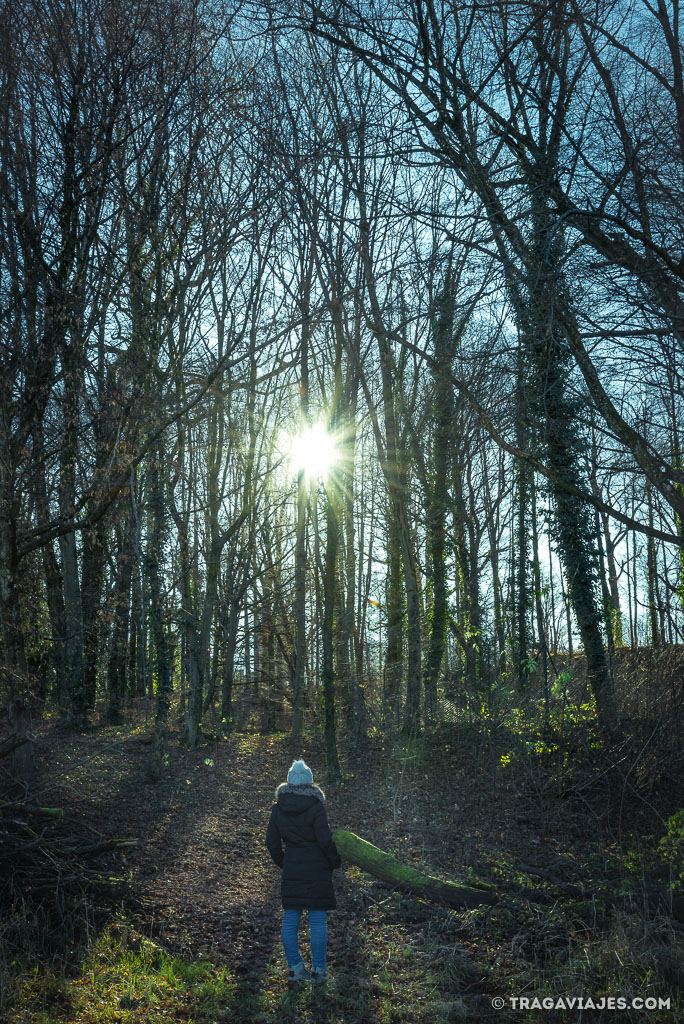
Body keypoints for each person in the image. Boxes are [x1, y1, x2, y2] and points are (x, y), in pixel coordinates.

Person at [266, 759, 341, 984]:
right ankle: (318, 971)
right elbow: (325, 839)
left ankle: (296, 968)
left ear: (289, 781)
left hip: (293, 869)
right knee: (317, 922)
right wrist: (334, 861)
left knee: (290, 922)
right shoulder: (315, 805)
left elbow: (271, 842)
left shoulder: (278, 808)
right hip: (317, 869)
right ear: (309, 781)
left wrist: (285, 862)